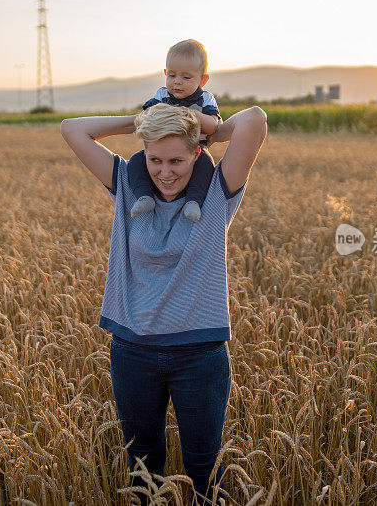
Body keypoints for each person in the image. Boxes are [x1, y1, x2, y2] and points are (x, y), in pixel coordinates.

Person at [60, 102, 267, 504]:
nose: (165, 172)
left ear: (195, 154)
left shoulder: (217, 192)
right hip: (132, 352)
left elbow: (255, 120)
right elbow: (72, 129)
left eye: (177, 159)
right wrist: (145, 121)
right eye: (154, 159)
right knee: (142, 467)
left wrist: (199, 126)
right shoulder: (125, 186)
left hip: (200, 355)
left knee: (204, 470)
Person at [128, 39, 222, 222]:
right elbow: (146, 115)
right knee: (136, 161)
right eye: (172, 75)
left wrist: (191, 114)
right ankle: (144, 196)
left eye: (186, 78)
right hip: (161, 146)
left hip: (195, 149)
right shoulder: (162, 95)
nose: (177, 82)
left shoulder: (205, 99)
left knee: (205, 164)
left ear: (203, 80)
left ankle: (194, 201)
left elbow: (213, 126)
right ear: (165, 73)